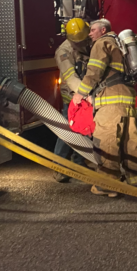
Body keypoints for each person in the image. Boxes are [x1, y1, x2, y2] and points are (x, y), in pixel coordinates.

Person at [73, 18, 137, 197]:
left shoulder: (102, 43)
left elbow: (94, 72)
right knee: (130, 142)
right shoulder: (119, 44)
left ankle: (108, 185)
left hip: (110, 103)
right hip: (126, 100)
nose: (90, 34)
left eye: (93, 30)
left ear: (103, 30)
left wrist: (80, 93)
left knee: (107, 142)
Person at [52, 18, 91, 182]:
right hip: (73, 97)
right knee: (68, 131)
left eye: (84, 40)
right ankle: (59, 167)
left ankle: (79, 161)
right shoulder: (64, 52)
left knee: (86, 129)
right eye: (78, 41)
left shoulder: (88, 42)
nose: (82, 43)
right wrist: (85, 94)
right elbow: (71, 78)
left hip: (87, 95)